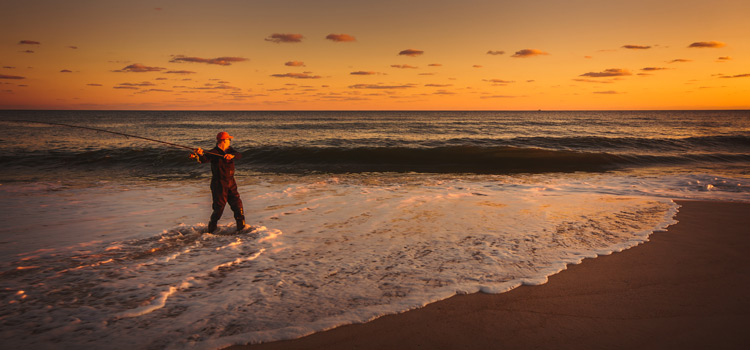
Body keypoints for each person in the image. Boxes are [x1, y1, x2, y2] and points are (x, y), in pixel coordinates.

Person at [191, 131, 246, 233]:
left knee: (238, 205)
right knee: (219, 208)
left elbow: (239, 155)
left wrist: (232, 156)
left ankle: (242, 231)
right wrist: (199, 154)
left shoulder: (230, 150)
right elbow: (204, 159)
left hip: (231, 182)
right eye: (229, 139)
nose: (230, 141)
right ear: (223, 141)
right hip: (219, 184)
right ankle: (211, 232)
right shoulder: (214, 152)